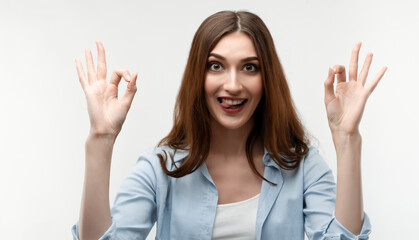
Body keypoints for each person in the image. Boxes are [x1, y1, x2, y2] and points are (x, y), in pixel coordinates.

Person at [72, 10, 386, 240]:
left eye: (249, 67)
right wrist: (101, 137)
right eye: (216, 66)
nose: (233, 84)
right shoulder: (160, 168)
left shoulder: (303, 168)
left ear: (267, 80)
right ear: (198, 75)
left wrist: (347, 139)